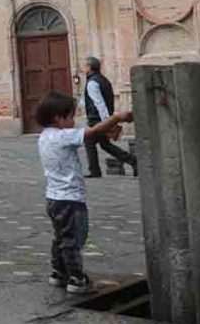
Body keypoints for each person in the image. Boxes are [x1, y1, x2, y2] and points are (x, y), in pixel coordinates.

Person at [36, 91, 132, 293]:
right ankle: (76, 278)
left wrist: (104, 131)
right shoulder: (62, 136)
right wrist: (115, 118)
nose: (73, 121)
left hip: (53, 198)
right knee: (75, 238)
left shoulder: (45, 136)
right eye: (70, 117)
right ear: (57, 118)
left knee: (61, 236)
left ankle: (58, 271)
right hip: (70, 199)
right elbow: (89, 133)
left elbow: (90, 133)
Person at [82, 57, 136, 178]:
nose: (84, 69)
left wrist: (107, 121)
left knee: (89, 141)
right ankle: (132, 160)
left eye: (85, 66)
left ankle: (94, 170)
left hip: (97, 120)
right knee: (105, 144)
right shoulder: (104, 80)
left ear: (90, 67)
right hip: (103, 118)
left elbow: (99, 103)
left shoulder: (92, 83)